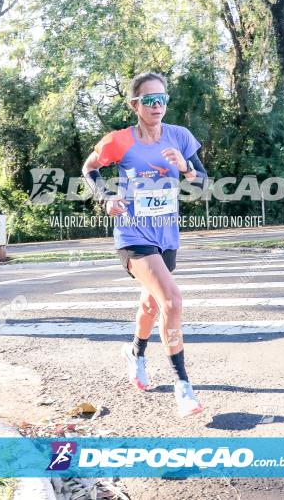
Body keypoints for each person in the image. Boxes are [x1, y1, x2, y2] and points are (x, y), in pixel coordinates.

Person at [81, 72, 208, 417]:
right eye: (149, 100)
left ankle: (135, 353)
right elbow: (89, 169)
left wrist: (187, 170)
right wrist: (105, 196)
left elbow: (201, 184)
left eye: (162, 99)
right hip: (133, 234)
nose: (157, 105)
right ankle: (184, 388)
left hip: (167, 235)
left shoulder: (180, 137)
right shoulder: (119, 141)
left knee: (152, 305)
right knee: (172, 300)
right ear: (134, 104)